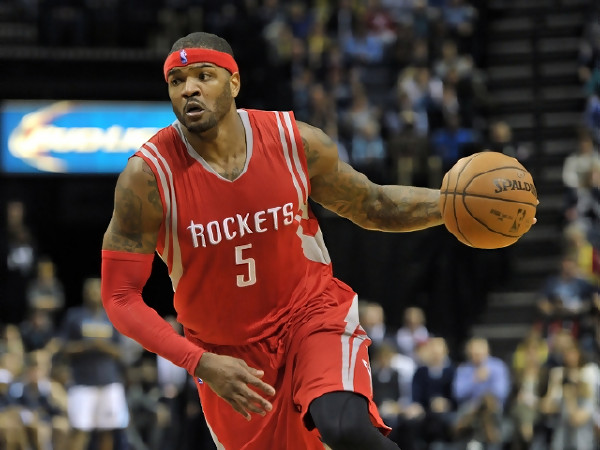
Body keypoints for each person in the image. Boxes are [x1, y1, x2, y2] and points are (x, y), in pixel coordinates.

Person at [100, 31, 446, 450]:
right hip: (226, 358)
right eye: (177, 81)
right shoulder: (147, 177)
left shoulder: (293, 140)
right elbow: (119, 296)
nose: (189, 88)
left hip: (309, 317)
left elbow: (372, 204)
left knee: (345, 427)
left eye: (203, 76)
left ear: (234, 82)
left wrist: (451, 204)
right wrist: (199, 362)